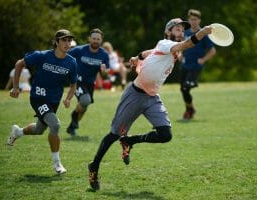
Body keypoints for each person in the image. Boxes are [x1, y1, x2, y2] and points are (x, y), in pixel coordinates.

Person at [87, 18, 213, 190]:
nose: (181, 32)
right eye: (177, 29)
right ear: (168, 32)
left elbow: (150, 52)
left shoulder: (164, 48)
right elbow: (185, 45)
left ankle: (130, 141)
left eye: (183, 30)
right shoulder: (166, 43)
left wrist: (137, 57)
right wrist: (201, 33)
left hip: (152, 98)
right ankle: (94, 166)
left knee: (165, 135)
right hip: (135, 95)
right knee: (114, 134)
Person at [7, 29, 77, 174]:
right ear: (56, 42)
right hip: (38, 98)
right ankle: (57, 164)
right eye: (64, 40)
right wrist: (15, 88)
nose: (67, 43)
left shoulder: (72, 62)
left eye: (69, 40)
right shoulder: (41, 56)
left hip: (54, 101)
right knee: (55, 124)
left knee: (40, 129)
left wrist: (68, 98)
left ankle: (18, 132)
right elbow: (19, 64)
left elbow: (73, 84)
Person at [66, 28, 109, 136]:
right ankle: (73, 117)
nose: (95, 41)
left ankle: (72, 126)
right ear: (89, 39)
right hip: (77, 81)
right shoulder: (80, 50)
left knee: (84, 107)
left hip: (90, 83)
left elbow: (106, 73)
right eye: (94, 38)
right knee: (85, 100)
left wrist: (104, 71)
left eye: (98, 39)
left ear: (101, 40)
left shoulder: (104, 55)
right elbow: (64, 56)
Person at [179, 9, 216, 119]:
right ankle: (190, 109)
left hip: (195, 67)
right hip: (184, 65)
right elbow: (180, 46)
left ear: (199, 20)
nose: (193, 21)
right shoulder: (186, 33)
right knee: (183, 89)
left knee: (186, 88)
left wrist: (203, 60)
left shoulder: (203, 34)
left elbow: (212, 51)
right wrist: (180, 54)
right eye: (191, 19)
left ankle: (193, 83)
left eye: (195, 19)